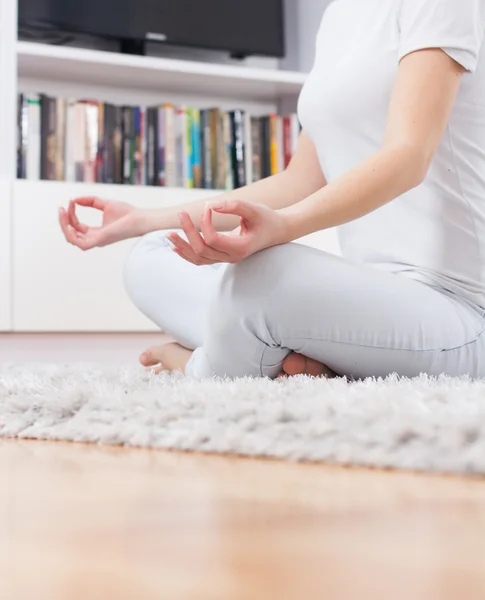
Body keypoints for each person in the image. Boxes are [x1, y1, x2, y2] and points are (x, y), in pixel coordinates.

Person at [59, 0, 485, 380]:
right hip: (374, 295)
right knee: (152, 255)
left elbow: (408, 156)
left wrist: (282, 228)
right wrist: (143, 219)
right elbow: (298, 182)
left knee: (266, 276)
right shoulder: (338, 15)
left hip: (462, 312)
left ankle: (201, 366)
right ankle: (295, 352)